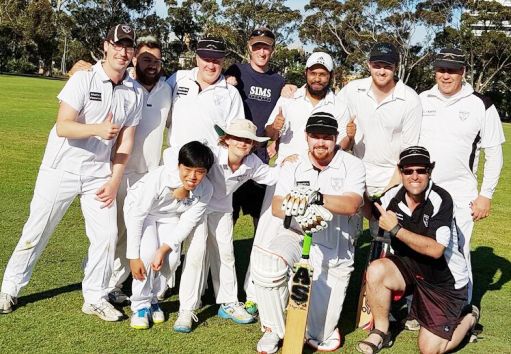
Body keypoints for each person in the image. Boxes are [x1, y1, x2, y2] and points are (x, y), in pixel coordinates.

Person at [0, 24, 143, 321]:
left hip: (98, 174)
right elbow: (63, 125)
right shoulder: (83, 78)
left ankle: (95, 296)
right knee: (37, 231)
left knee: (107, 235)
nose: (123, 51)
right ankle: (9, 288)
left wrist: (115, 180)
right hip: (60, 169)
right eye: (118, 44)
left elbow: (126, 141)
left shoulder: (134, 92)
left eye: (129, 46)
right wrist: (98, 129)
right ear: (106, 46)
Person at [245, 52, 351, 314]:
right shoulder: (288, 97)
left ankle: (298, 293)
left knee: (311, 235)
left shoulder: (339, 105)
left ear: (330, 76)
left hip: (320, 177)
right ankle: (254, 294)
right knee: (268, 231)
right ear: (305, 73)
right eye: (313, 72)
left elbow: (344, 141)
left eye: (323, 73)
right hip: (286, 172)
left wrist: (345, 141)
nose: (317, 78)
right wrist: (275, 130)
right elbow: (269, 131)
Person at [252, 112, 365, 353]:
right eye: (315, 136)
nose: (321, 142)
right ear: (306, 137)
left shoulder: (352, 165)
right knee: (268, 263)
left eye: (327, 137)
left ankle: (315, 321)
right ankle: (274, 330)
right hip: (296, 235)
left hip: (334, 246)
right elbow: (276, 206)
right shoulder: (293, 164)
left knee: (319, 335)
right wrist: (300, 211)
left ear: (336, 138)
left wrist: (316, 199)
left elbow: (352, 204)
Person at [356, 146, 479, 354]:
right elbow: (372, 210)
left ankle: (469, 318)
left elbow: (436, 250)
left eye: (421, 170)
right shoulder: (393, 195)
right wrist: (357, 188)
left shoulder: (442, 199)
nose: (415, 176)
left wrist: (396, 229)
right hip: (411, 269)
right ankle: (381, 332)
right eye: (408, 171)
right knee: (376, 269)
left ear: (430, 171)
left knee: (430, 349)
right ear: (400, 171)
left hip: (443, 281)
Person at [171, 119, 287, 332]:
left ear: (253, 144)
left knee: (226, 253)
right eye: (238, 138)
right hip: (198, 205)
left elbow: (271, 176)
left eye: (248, 140)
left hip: (223, 208)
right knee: (197, 253)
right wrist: (180, 187)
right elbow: (183, 160)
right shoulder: (212, 154)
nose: (243, 143)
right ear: (226, 139)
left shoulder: (251, 162)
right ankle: (187, 309)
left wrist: (288, 163)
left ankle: (229, 302)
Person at [419, 48, 505, 303]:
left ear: (463, 72)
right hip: (422, 190)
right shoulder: (422, 99)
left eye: (452, 70)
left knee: (457, 252)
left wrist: (486, 195)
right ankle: (418, 307)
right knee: (420, 251)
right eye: (441, 70)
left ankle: (462, 308)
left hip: (461, 193)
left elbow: (494, 154)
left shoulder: (482, 104)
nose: (446, 76)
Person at [106, 35, 173, 305]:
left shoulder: (168, 89)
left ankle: (134, 284)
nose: (152, 65)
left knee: (144, 233)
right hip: (120, 171)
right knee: (116, 232)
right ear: (135, 59)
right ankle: (108, 284)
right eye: (146, 59)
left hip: (151, 176)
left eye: (156, 60)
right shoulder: (125, 87)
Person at [125, 141, 214, 330]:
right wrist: (133, 256)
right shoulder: (160, 177)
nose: (192, 177)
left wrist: (163, 250)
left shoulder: (206, 189)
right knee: (147, 255)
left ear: (206, 171)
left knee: (172, 259)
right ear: (179, 165)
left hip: (170, 216)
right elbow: (138, 214)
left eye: (200, 171)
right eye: (187, 169)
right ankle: (140, 306)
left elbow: (187, 223)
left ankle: (155, 298)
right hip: (142, 212)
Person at [338, 42, 422, 196]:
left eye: (387, 66)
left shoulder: (410, 99)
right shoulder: (352, 90)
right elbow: (327, 106)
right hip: (355, 174)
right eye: (377, 65)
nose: (382, 71)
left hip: (391, 178)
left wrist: (389, 189)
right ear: (369, 65)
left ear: (395, 67)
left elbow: (409, 150)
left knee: (384, 221)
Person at [225, 27, 285, 229]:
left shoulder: (278, 81)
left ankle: (256, 260)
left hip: (259, 158)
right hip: (233, 155)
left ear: (272, 50)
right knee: (227, 217)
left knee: (260, 218)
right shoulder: (236, 71)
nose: (262, 52)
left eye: (266, 48)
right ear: (249, 48)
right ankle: (221, 261)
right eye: (257, 47)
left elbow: (280, 118)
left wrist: (275, 140)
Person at [166, 37, 244, 149]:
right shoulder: (178, 78)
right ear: (197, 59)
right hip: (175, 160)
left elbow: (236, 135)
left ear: (223, 61)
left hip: (212, 163)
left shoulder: (231, 93)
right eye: (206, 59)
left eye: (216, 61)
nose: (211, 66)